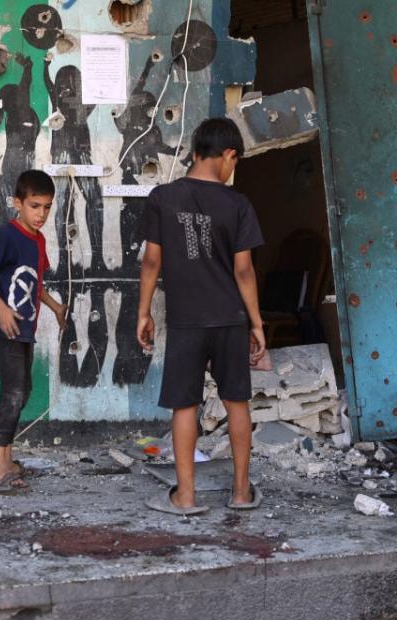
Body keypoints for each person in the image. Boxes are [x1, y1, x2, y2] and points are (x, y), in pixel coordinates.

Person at [137, 118, 266, 515]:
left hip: (186, 320)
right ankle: (241, 494)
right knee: (237, 402)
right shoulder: (238, 203)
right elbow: (244, 271)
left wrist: (143, 313)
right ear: (228, 155)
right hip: (229, 318)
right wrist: (257, 324)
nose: (233, 170)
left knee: (185, 406)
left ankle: (186, 497)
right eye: (235, 162)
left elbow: (152, 260)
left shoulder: (163, 197)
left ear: (194, 154)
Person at [0, 170, 68, 490]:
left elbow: (35, 284)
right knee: (13, 392)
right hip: (5, 328)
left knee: (22, 391)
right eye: (34, 206)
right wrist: (2, 309)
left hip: (24, 328)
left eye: (47, 207)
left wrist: (56, 307)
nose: (41, 214)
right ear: (18, 203)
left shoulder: (39, 240)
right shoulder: (7, 236)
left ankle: (7, 458)